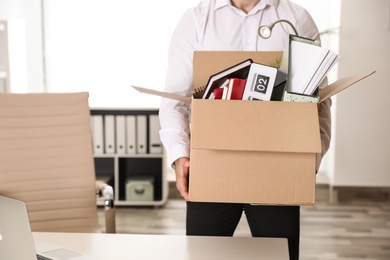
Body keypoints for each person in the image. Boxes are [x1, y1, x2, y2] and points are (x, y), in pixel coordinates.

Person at [159, 1, 332, 259]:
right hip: (211, 166)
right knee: (204, 255)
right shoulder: (196, 20)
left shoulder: (296, 19)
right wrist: (179, 154)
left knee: (279, 255)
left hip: (278, 169)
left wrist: (310, 159)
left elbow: (318, 101)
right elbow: (175, 100)